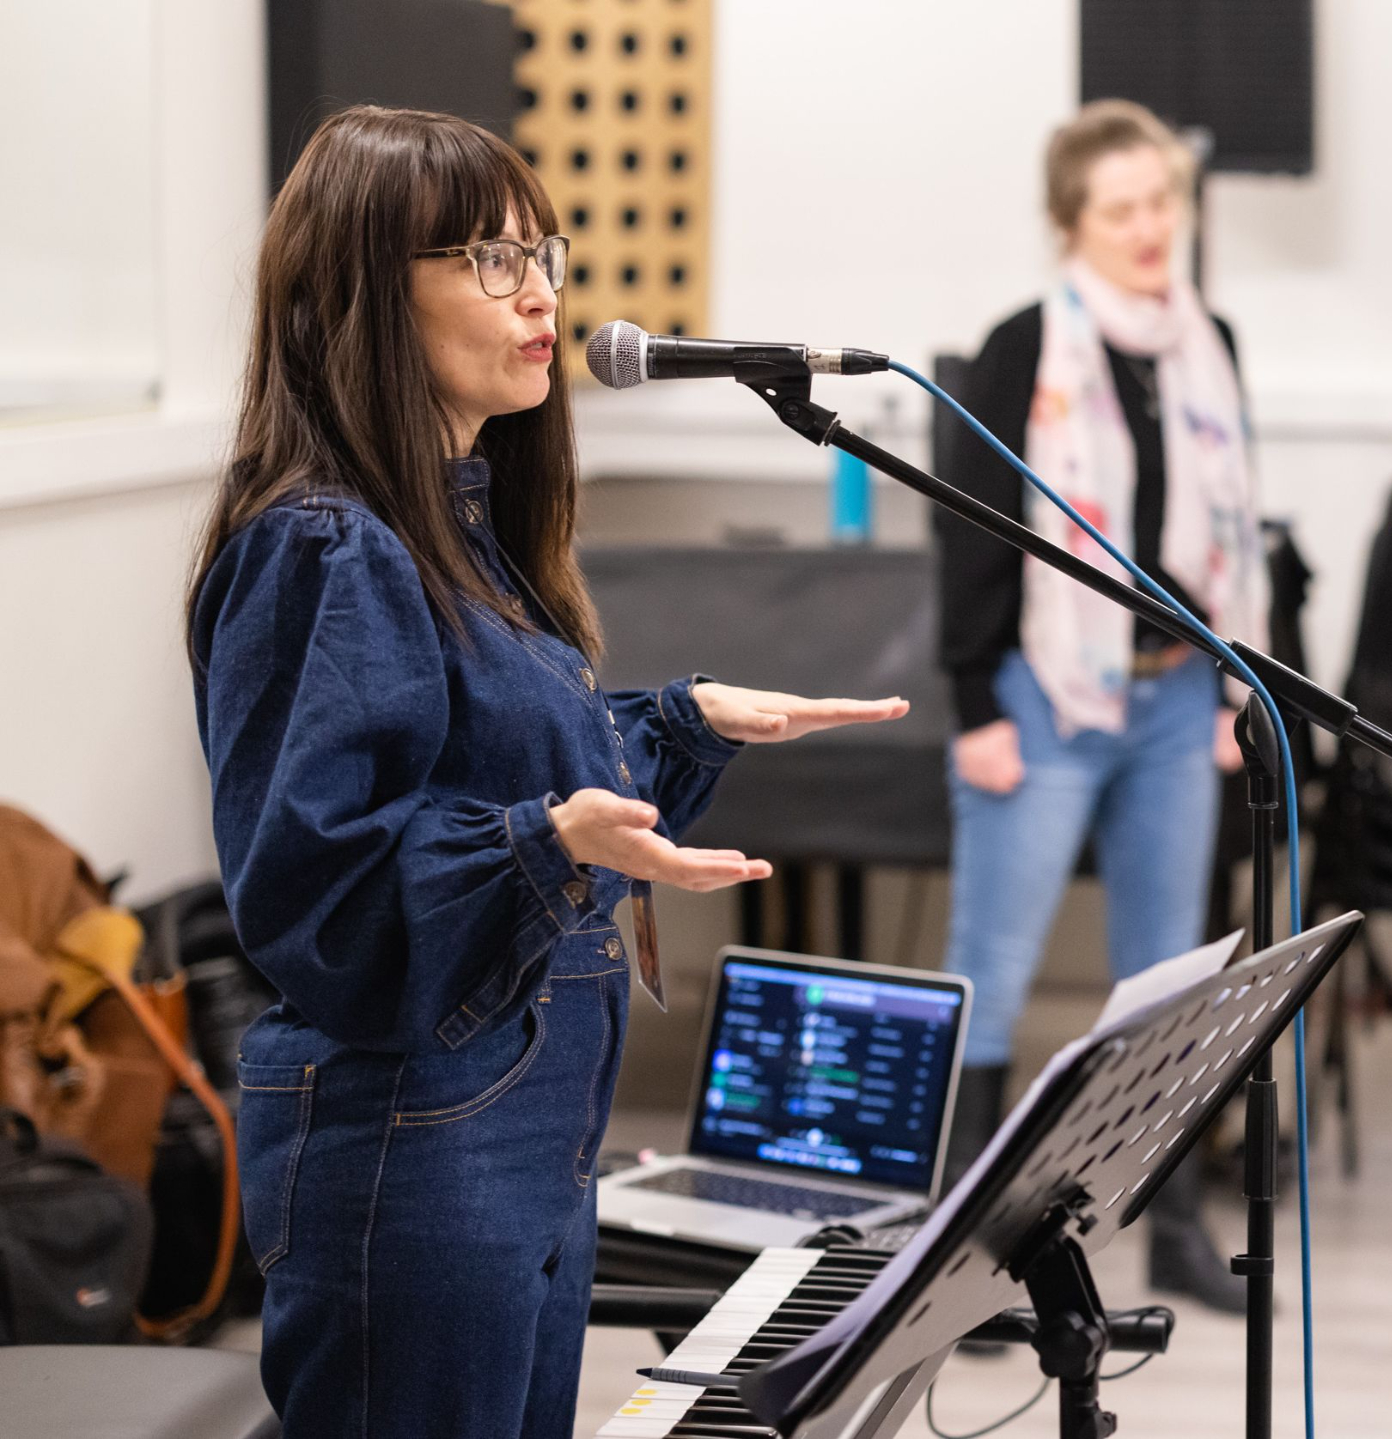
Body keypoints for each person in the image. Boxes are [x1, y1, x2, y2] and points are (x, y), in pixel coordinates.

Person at [188, 107, 905, 1439]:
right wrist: (546, 835)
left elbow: (515, 785)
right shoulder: (325, 546)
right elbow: (321, 895)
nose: (541, 298)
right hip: (417, 1136)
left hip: (524, 1131)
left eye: (543, 255)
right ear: (363, 292)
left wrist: (687, 724)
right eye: (485, 259)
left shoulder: (465, 521)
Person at [932, 99, 1260, 1312]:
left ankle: (1170, 1229)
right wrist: (975, 702)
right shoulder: (1024, 342)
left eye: (1160, 202)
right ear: (1072, 222)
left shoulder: (1209, 338)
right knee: (992, 969)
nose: (1146, 228)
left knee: (1168, 977)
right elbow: (970, 526)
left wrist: (1240, 683)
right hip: (1047, 693)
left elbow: (1238, 524)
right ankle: (952, 1255)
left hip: (1180, 700)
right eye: (1120, 209)